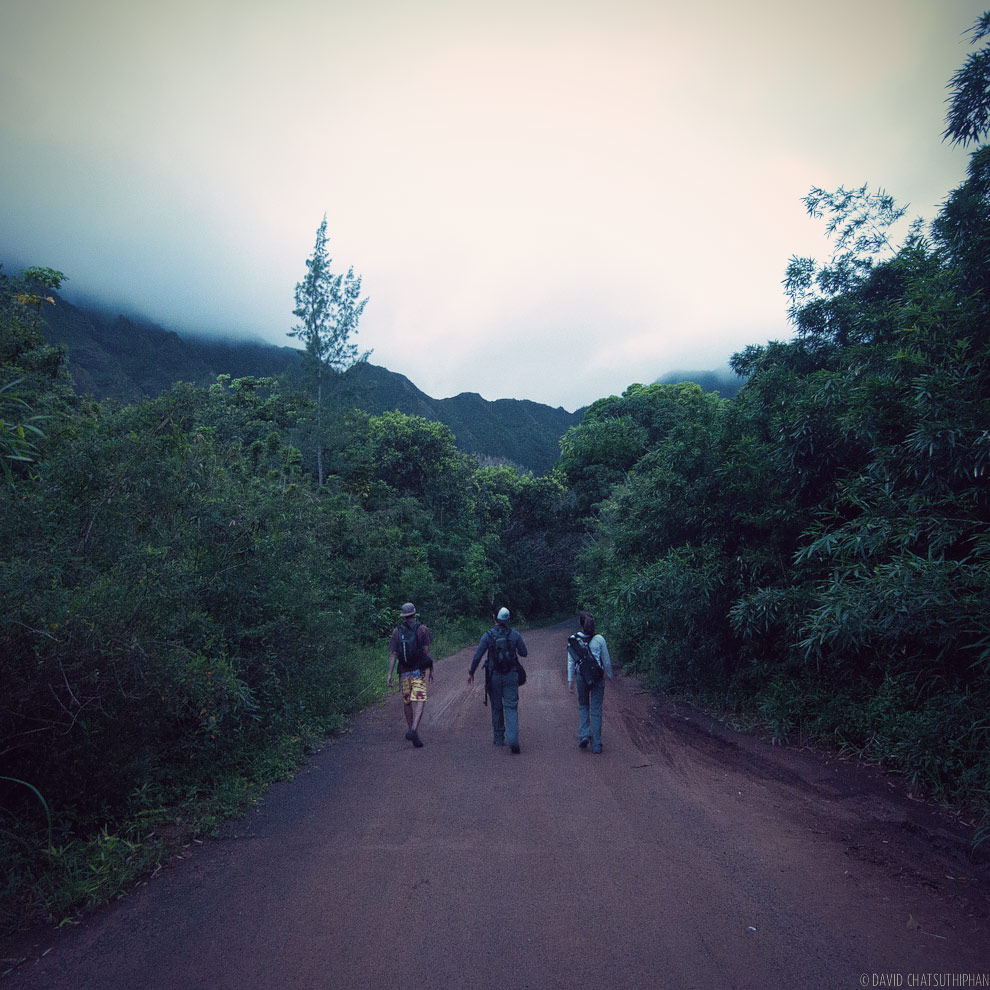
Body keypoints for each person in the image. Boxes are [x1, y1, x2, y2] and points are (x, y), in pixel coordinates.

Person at [467, 607, 528, 753]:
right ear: (508, 619)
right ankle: (513, 739)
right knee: (511, 706)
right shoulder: (515, 634)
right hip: (511, 675)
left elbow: (478, 656)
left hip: (493, 676)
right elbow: (524, 653)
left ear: (495, 618)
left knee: (496, 706)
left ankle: (499, 738)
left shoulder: (488, 636)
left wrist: (471, 672)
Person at [387, 602, 435, 748]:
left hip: (404, 672)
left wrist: (389, 674)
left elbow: (394, 654)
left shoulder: (397, 632)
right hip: (418, 671)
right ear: (414, 613)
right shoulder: (423, 629)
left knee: (407, 701)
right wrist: (431, 669)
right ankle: (414, 729)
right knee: (420, 700)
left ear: (403, 616)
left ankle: (411, 729)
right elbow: (426, 651)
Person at [567, 611, 613, 754]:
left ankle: (584, 734)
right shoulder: (600, 639)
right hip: (598, 677)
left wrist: (570, 680)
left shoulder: (573, 639)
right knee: (596, 709)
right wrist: (610, 676)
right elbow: (606, 660)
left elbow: (570, 662)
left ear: (581, 624)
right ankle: (597, 744)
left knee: (583, 705)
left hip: (582, 676)